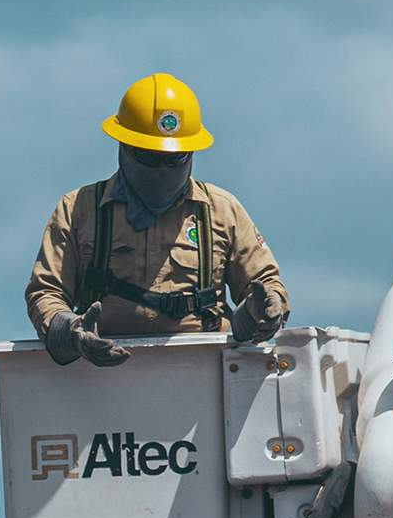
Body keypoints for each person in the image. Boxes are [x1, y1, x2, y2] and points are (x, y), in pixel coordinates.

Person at [25, 72, 289, 365]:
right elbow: (46, 292)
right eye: (149, 157)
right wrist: (73, 333)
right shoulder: (79, 210)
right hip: (98, 382)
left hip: (204, 374)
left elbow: (264, 284)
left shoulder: (221, 211)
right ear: (124, 147)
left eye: (174, 159)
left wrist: (261, 311)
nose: (162, 170)